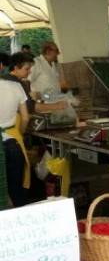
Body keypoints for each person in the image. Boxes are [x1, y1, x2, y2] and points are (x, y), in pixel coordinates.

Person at [0, 61, 29, 207]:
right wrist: (20, 133)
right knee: (16, 190)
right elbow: (25, 118)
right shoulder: (16, 86)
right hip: (12, 143)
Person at [2, 53, 68, 115]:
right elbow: (30, 107)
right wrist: (56, 106)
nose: (30, 72)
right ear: (16, 68)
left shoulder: (9, 79)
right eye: (27, 69)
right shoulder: (15, 83)